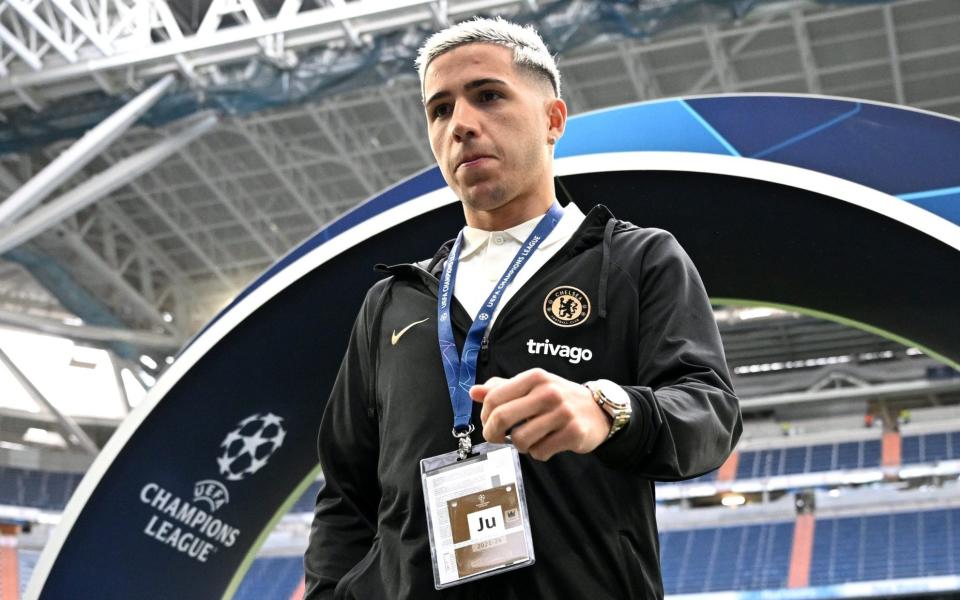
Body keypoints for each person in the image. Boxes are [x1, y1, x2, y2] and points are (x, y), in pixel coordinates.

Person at [304, 17, 741, 600]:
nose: (461, 124)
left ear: (552, 119)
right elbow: (345, 491)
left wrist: (606, 409)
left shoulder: (638, 260)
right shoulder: (392, 300)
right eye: (439, 110)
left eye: (488, 96)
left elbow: (710, 413)